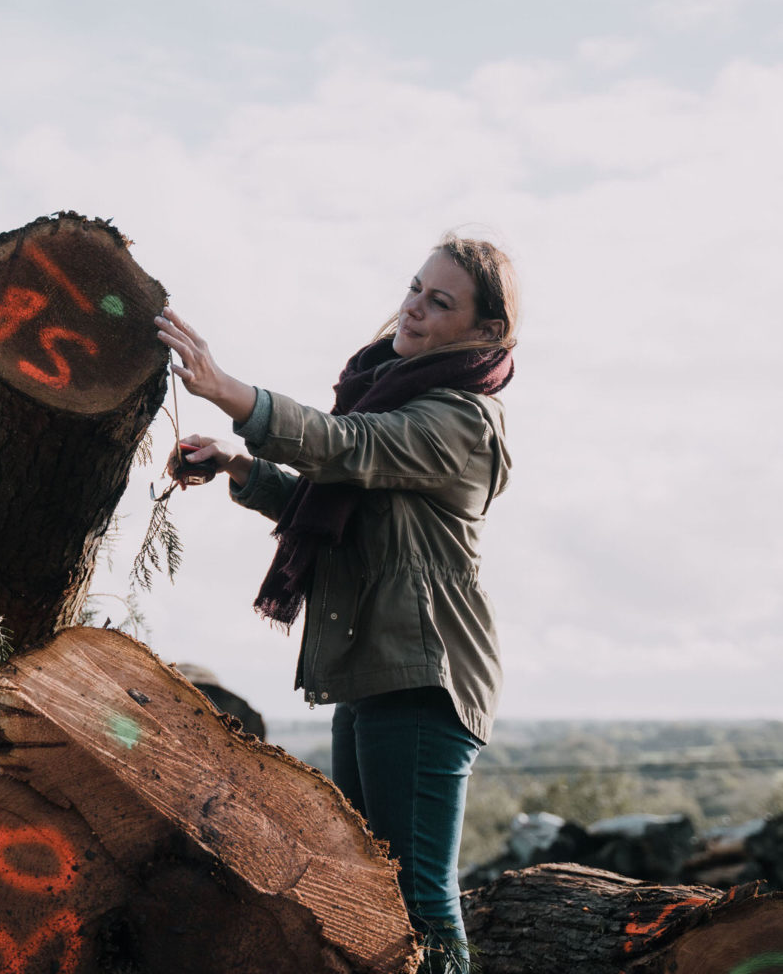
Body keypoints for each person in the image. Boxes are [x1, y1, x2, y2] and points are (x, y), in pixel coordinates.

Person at [155, 232, 518, 973]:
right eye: (416, 288)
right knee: (374, 890)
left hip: (423, 678)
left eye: (439, 302)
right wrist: (239, 467)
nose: (413, 309)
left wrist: (230, 394)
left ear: (485, 332)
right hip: (375, 668)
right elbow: (337, 507)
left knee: (419, 899)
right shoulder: (396, 393)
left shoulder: (459, 420)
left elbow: (343, 446)